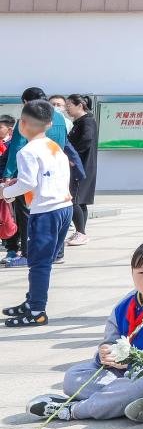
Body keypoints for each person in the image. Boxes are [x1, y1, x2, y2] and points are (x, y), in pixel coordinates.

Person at [27, 239, 143, 423]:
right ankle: (133, 401)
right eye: (141, 272)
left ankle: (74, 410)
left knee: (142, 384)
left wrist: (134, 359)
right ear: (132, 272)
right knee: (73, 378)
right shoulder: (125, 304)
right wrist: (105, 353)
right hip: (119, 373)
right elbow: (110, 339)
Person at [2, 100, 73, 327]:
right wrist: (16, 185)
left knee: (39, 263)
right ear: (50, 124)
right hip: (64, 207)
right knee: (44, 261)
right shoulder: (53, 146)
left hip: (46, 212)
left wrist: (5, 192)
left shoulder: (27, 151)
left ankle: (36, 311)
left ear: (22, 124)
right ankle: (32, 301)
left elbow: (28, 183)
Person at [3, 88, 71, 268]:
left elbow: (17, 146)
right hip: (56, 174)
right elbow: (64, 142)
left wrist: (8, 175)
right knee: (57, 220)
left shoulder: (27, 120)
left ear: (26, 102)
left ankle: (27, 254)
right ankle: (57, 253)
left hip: (32, 174)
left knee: (26, 216)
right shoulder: (59, 118)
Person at [62, 94, 97, 247]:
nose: (66, 109)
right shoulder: (81, 121)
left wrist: (72, 157)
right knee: (80, 201)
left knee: (74, 199)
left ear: (80, 105)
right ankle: (80, 232)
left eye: (69, 105)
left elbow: (86, 140)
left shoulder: (87, 121)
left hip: (80, 166)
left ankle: (81, 233)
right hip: (82, 166)